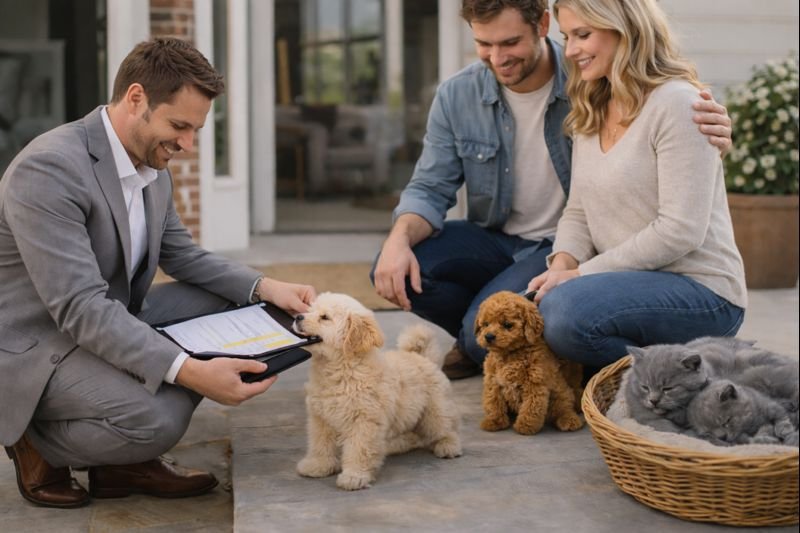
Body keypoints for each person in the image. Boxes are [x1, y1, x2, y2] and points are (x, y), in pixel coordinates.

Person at [0, 38, 316, 508]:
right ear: (135, 98)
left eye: (196, 130)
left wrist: (267, 288)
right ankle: (32, 437)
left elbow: (182, 255)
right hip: (41, 343)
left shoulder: (151, 161)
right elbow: (79, 308)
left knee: (242, 306)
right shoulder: (49, 169)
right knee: (158, 421)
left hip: (107, 320)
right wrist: (190, 371)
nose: (187, 145)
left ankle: (123, 466)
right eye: (179, 125)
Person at [371, 0, 733, 379]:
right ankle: (497, 328)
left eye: (509, 42)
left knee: (531, 324)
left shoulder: (589, 83)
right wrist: (398, 240)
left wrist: (575, 272)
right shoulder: (592, 97)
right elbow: (431, 186)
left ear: (541, 24)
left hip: (594, 254)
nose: (497, 58)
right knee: (402, 264)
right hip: (509, 239)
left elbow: (679, 221)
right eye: (484, 44)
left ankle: (668, 376)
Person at [525, 0, 746, 368]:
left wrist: (580, 276)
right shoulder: (593, 104)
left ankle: (689, 381)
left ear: (623, 29)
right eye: (567, 36)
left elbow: (680, 231)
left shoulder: (678, 104)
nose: (572, 49)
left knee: (565, 315)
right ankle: (660, 371)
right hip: (629, 283)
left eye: (583, 34)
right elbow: (578, 209)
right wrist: (562, 264)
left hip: (702, 291)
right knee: (535, 303)